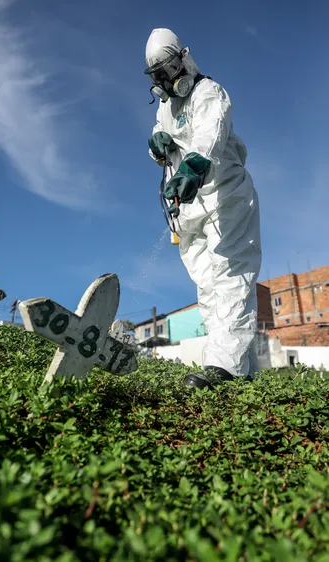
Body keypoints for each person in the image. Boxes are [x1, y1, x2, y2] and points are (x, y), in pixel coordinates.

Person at [144, 28, 262, 390]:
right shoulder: (166, 107)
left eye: (170, 70)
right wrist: (157, 145)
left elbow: (210, 134)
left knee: (230, 276)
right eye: (158, 77)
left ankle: (223, 367)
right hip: (191, 208)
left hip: (225, 196)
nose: (167, 81)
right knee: (208, 287)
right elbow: (164, 141)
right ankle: (243, 369)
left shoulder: (209, 92)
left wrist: (193, 167)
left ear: (184, 58)